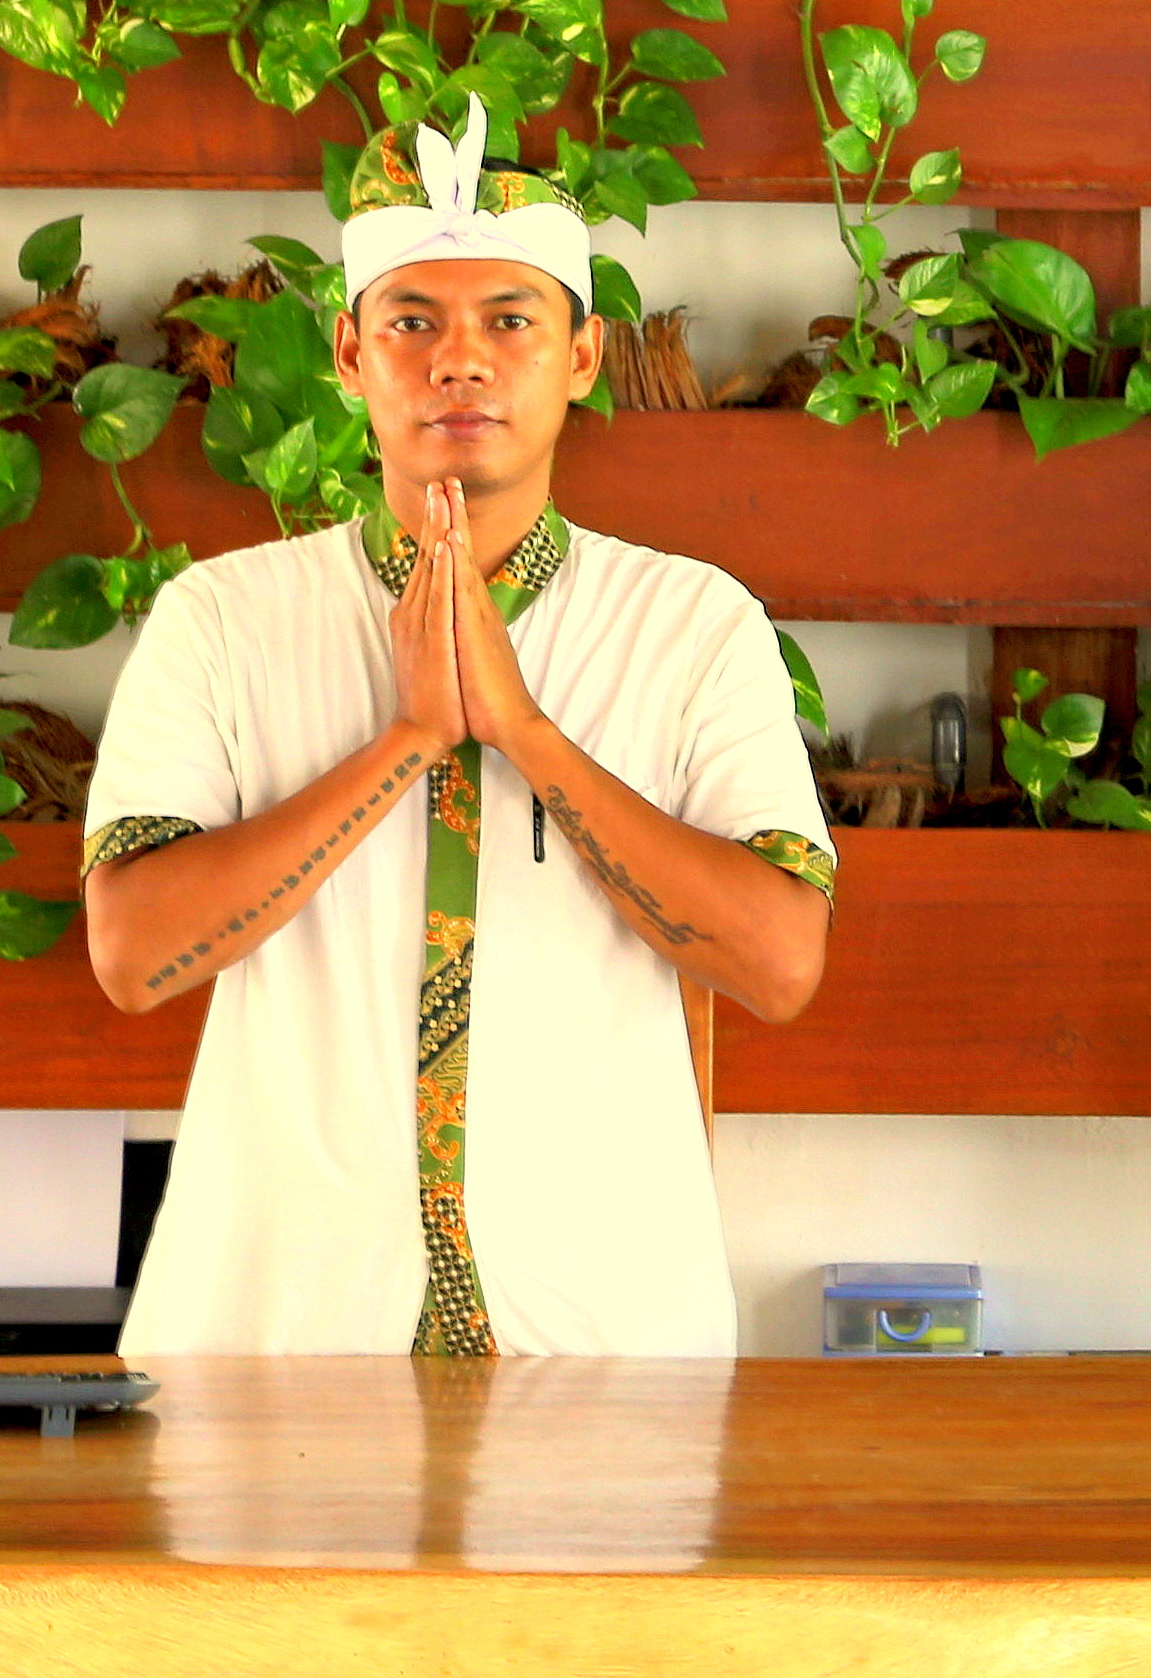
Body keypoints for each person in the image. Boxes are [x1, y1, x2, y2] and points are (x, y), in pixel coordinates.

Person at [80, 109, 834, 1356]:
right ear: (349, 351)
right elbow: (133, 956)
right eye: (413, 322)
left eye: (511, 321)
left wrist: (522, 730)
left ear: (583, 355)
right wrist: (407, 741)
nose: (461, 363)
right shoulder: (225, 619)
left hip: (608, 1338)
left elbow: (781, 966)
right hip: (277, 1335)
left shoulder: (694, 624)